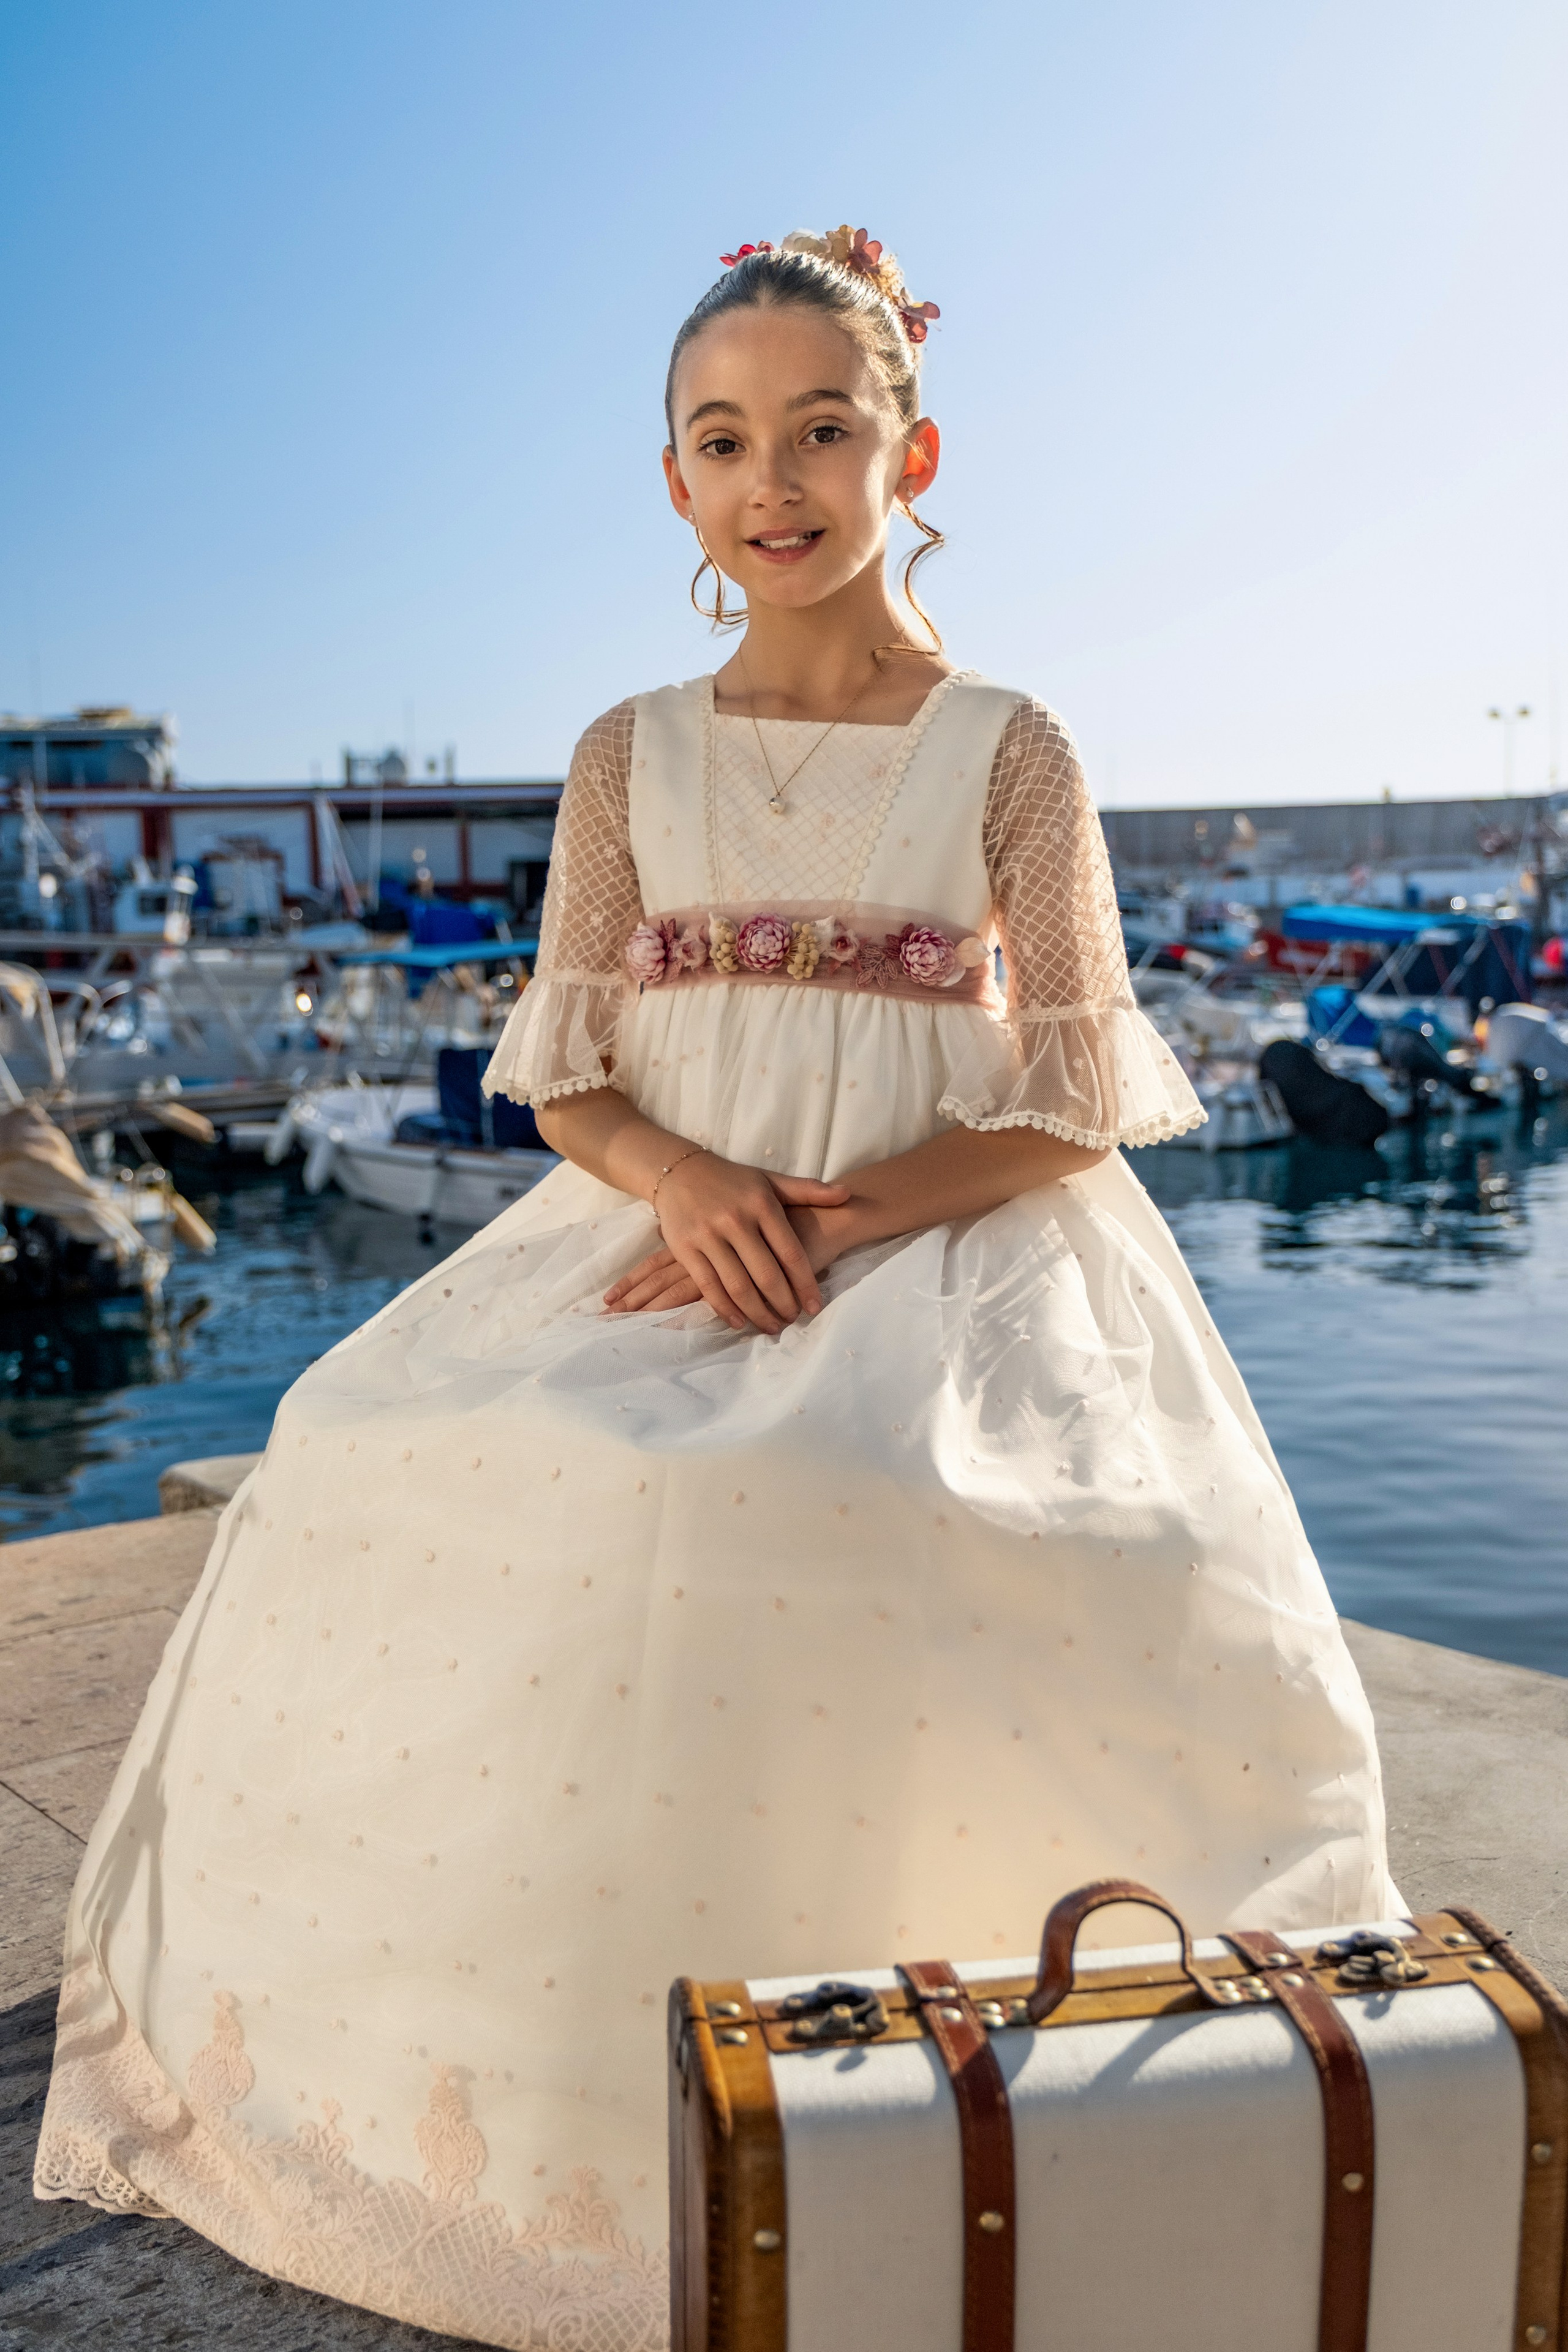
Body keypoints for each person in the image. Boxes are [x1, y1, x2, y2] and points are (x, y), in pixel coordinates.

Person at [36, 224, 1393, 2348]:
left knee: (853, 1489)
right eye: (727, 436)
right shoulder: (622, 754)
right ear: (673, 479)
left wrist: (834, 1220)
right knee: (373, 1444)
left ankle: (887, 2076)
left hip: (943, 1236)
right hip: (663, 1223)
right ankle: (515, 2085)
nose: (779, 476)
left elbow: (1079, 1099)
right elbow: (569, 1074)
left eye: (826, 429)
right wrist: (688, 1183)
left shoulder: (1011, 749)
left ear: (912, 450)